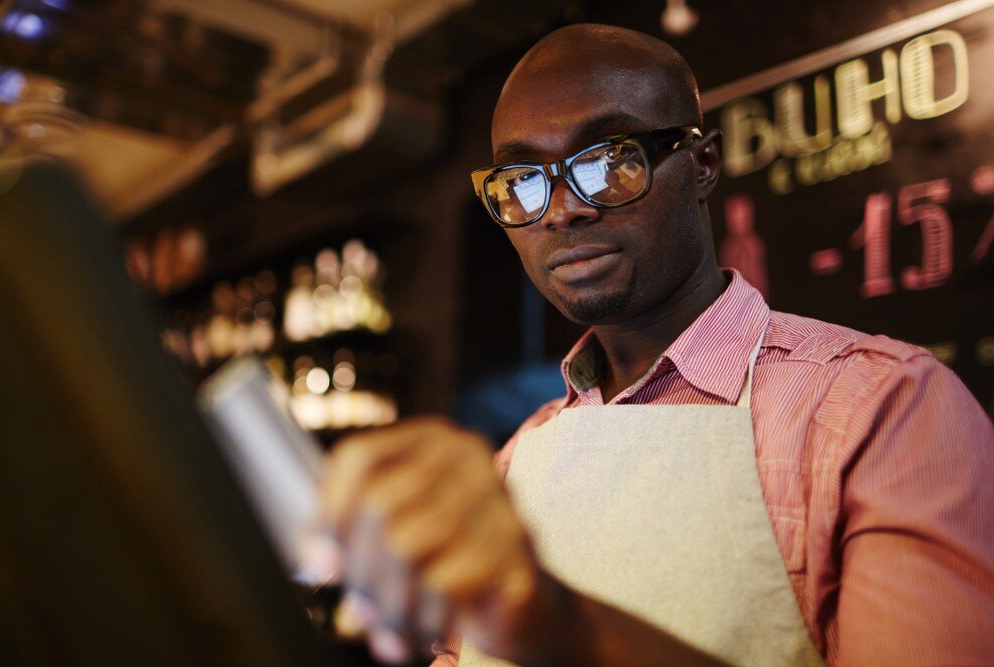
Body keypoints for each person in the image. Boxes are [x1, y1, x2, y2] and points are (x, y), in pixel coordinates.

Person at [310, 24, 994, 666]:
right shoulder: (518, 460)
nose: (564, 207)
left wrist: (563, 627)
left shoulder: (881, 410)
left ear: (702, 164)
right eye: (522, 181)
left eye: (610, 162)